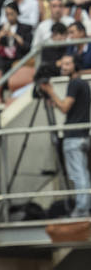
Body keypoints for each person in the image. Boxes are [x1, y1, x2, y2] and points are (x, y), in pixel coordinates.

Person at [39, 52, 91, 217]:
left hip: (74, 136)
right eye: (63, 64)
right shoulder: (81, 84)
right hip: (82, 135)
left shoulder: (75, 84)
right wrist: (54, 101)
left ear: (75, 65)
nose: (63, 67)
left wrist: (51, 91)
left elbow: (65, 108)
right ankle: (84, 207)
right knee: (83, 173)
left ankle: (82, 210)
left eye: (68, 64)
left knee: (78, 174)